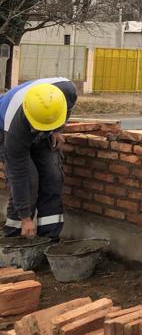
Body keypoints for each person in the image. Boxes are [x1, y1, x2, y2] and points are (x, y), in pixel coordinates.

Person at [1, 77, 77, 239]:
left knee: (52, 177)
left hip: (42, 120)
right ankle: (14, 238)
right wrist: (25, 217)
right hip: (4, 130)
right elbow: (18, 174)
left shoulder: (67, 92)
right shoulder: (14, 129)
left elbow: (66, 110)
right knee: (29, 182)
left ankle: (48, 239)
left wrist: (56, 129)